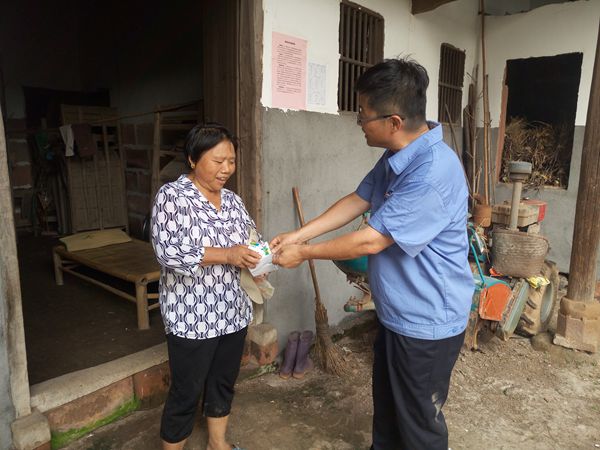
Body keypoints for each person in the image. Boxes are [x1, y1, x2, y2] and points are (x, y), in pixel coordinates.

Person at [271, 57, 474, 450]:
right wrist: (298, 234)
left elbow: (370, 241)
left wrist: (304, 252)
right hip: (399, 314)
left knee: (419, 426)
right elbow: (359, 198)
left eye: (363, 115)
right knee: (389, 413)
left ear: (393, 122)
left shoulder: (432, 172)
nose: (360, 122)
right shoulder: (400, 154)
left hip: (427, 322)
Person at [151, 123, 260, 450]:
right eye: (218, 161)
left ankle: (217, 444)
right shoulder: (172, 197)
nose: (226, 169)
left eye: (231, 161)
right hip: (192, 318)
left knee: (223, 382)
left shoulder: (233, 201)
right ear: (193, 159)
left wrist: (261, 261)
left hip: (233, 312)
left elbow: (251, 240)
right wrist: (227, 254)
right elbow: (167, 251)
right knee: (186, 391)